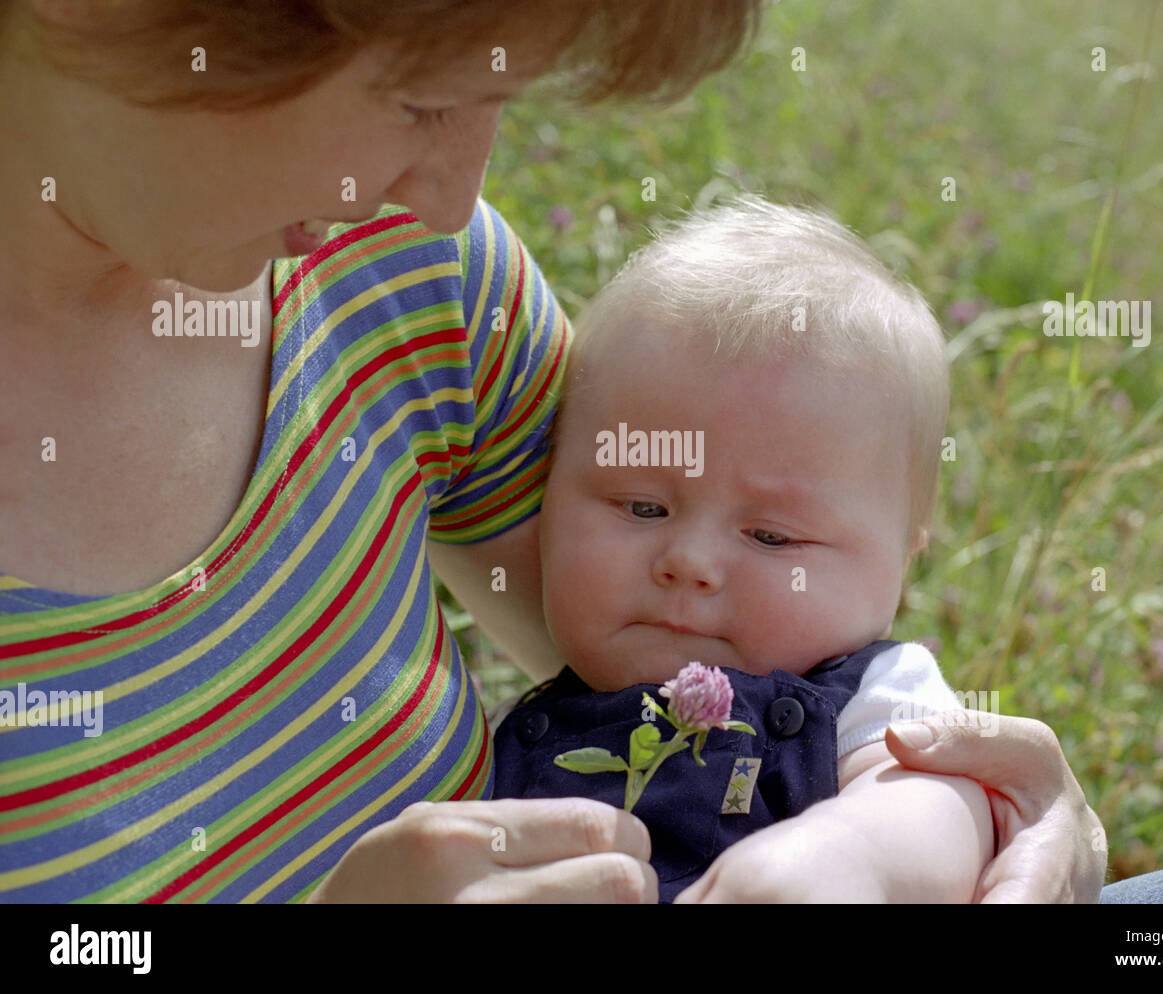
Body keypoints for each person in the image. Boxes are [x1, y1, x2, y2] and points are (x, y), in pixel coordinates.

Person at [0, 0, 1104, 903]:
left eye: (495, 103)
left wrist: (968, 805)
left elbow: (764, 646)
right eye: (418, 101)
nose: (450, 198)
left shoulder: (394, 274)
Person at [492, 196, 997, 902]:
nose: (689, 563)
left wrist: (854, 859)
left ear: (902, 561)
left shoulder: (872, 700)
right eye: (643, 506)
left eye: (770, 536)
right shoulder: (499, 744)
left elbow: (940, 801)